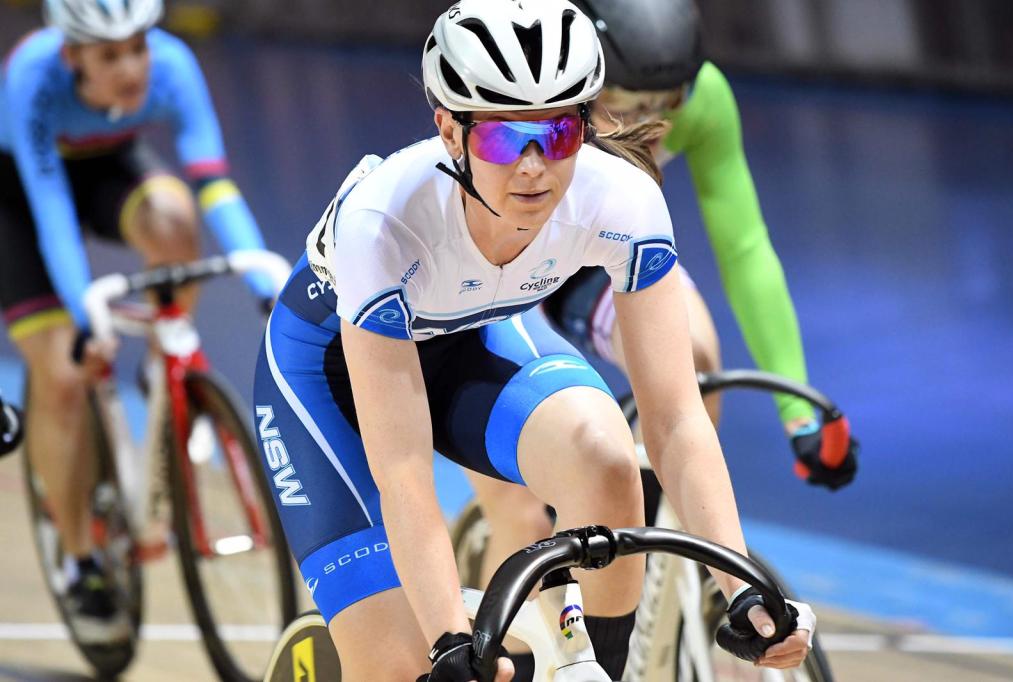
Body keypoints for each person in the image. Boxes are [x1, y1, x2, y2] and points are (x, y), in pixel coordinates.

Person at [253, 1, 815, 679]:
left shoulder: (623, 200)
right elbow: (402, 469)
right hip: (327, 370)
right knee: (400, 664)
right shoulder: (383, 223)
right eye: (501, 138)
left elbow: (674, 418)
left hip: (469, 336)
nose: (532, 167)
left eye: (557, 134)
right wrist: (448, 641)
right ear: (450, 130)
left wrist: (742, 587)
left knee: (607, 461)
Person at [466, 3, 858, 673]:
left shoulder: (704, 102)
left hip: (600, 256)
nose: (653, 119)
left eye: (666, 102)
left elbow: (745, 247)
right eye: (624, 103)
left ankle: (664, 559)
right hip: (500, 268)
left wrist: (797, 408)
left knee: (694, 361)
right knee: (525, 511)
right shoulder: (535, 97)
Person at [0, 0, 275, 641]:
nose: (131, 68)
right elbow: (51, 212)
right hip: (19, 193)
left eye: (138, 47)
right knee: (62, 376)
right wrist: (85, 319)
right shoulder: (33, 76)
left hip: (107, 166)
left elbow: (214, 184)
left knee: (174, 220)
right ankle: (80, 561)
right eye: (110, 55)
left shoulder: (174, 66)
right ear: (72, 56)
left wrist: (268, 282)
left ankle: (163, 360)